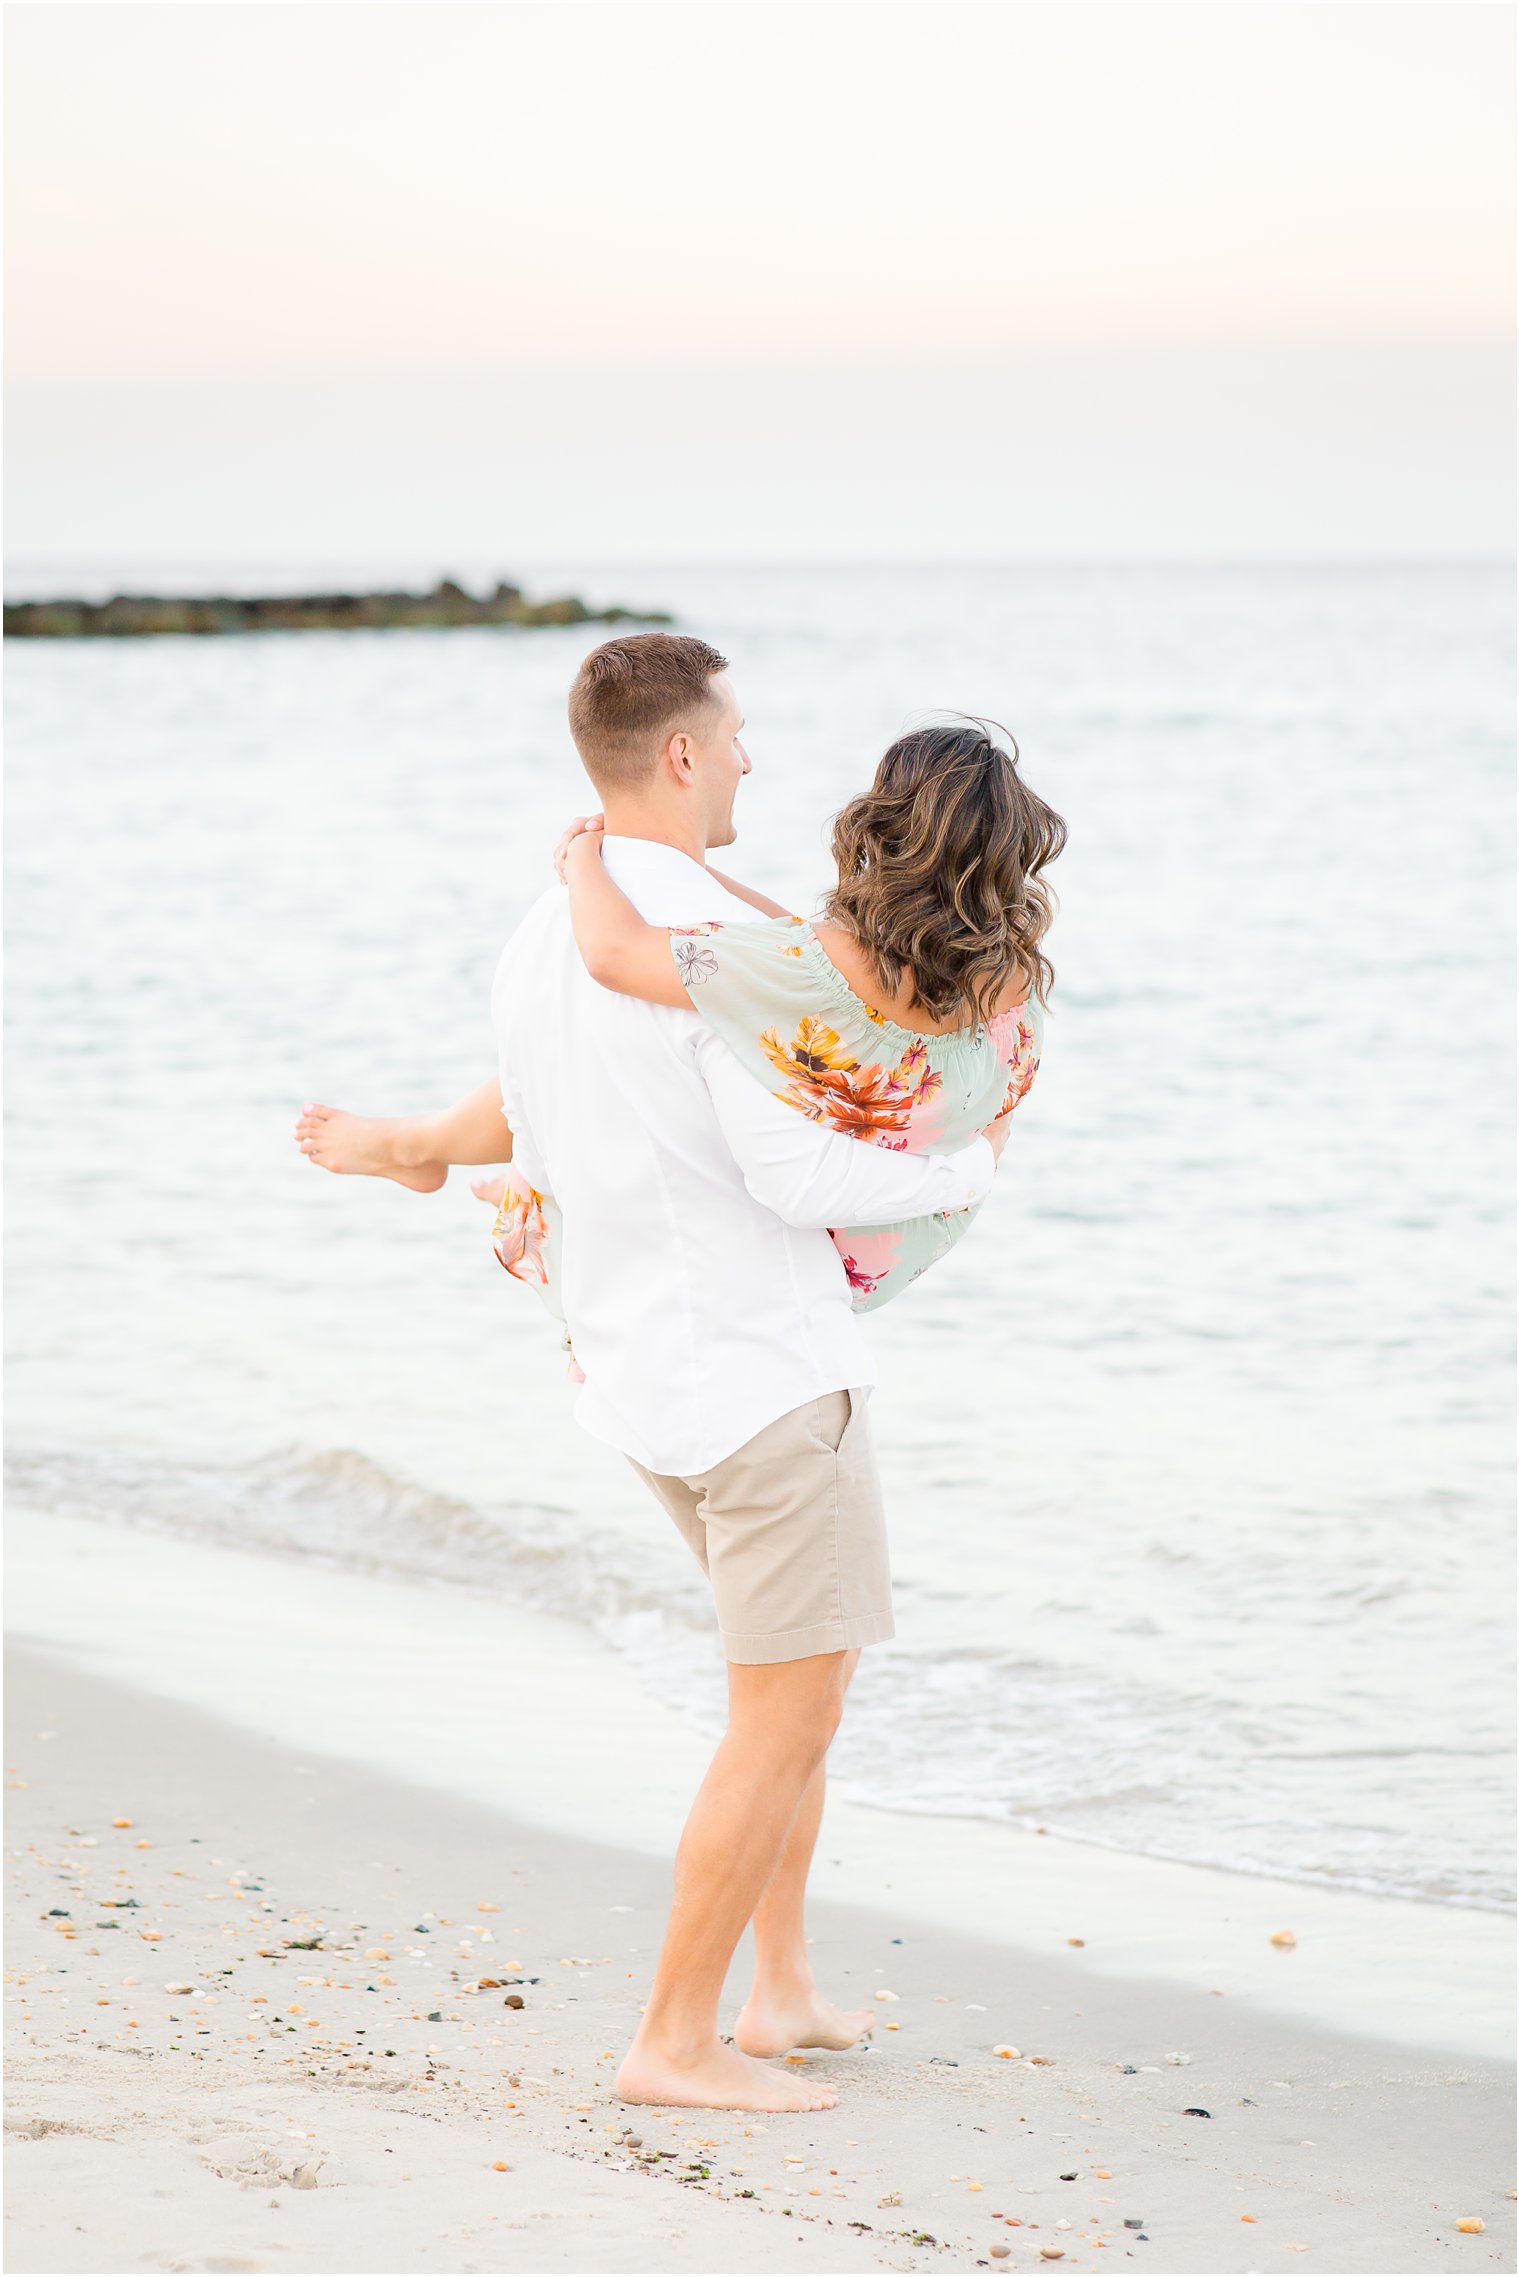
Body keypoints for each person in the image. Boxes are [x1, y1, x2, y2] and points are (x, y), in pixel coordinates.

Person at [295, 633, 1065, 2113]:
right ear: (685, 755)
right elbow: (788, 1169)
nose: (759, 760)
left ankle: (776, 1991)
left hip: (641, 1373)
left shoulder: (549, 929)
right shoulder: (739, 952)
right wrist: (970, 1162)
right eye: (740, 734)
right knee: (784, 1719)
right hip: (763, 1380)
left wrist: (408, 1147)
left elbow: (530, 1112)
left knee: (793, 1701)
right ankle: (675, 2037)